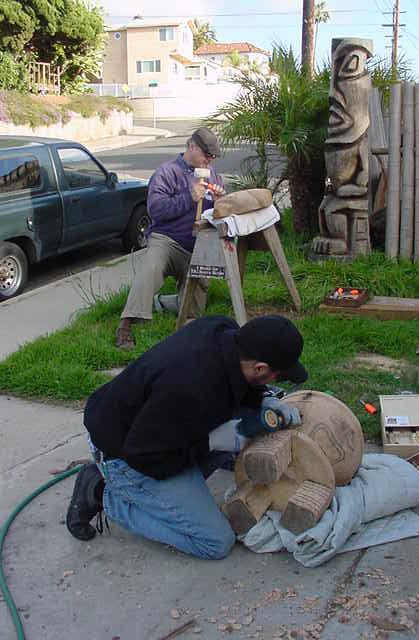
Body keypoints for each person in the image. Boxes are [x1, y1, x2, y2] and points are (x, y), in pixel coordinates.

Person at [66, 314, 307, 560]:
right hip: (128, 456)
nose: (278, 380)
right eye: (278, 375)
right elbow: (146, 458)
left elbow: (235, 385)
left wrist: (263, 398)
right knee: (215, 542)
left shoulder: (222, 329)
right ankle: (101, 492)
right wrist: (212, 442)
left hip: (153, 425)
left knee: (238, 430)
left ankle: (183, 478)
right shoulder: (190, 389)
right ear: (260, 368)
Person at [115, 127, 223, 350]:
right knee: (151, 269)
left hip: (196, 245)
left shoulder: (211, 173)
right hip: (166, 239)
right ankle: (125, 325)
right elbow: (156, 210)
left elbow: (216, 211)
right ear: (192, 146)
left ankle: (163, 302)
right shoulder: (167, 172)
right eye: (207, 154)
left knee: (194, 308)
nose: (210, 160)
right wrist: (189, 196)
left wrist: (221, 201)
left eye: (213, 156)